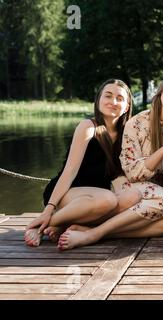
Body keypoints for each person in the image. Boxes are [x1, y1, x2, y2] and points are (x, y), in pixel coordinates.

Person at [57, 71, 163, 250]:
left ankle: (96, 229)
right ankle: (93, 234)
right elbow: (133, 173)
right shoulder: (135, 124)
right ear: (162, 89)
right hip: (137, 187)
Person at [24, 79, 140, 247]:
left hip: (98, 196)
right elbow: (69, 171)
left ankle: (73, 226)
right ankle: (45, 224)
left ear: (127, 107)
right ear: (99, 100)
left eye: (120, 98)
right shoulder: (88, 127)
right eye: (108, 96)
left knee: (133, 196)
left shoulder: (127, 134)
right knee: (108, 200)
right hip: (68, 192)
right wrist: (49, 208)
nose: (113, 102)